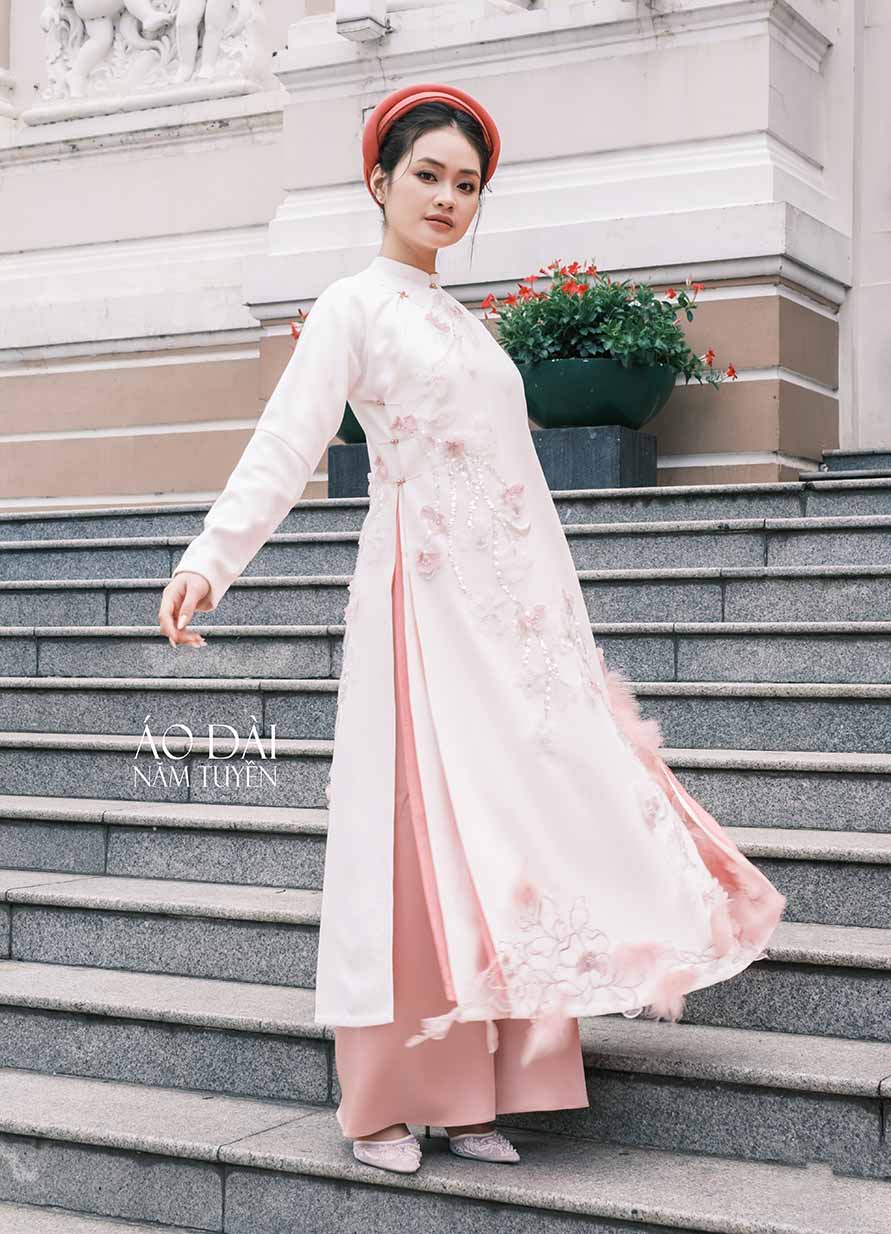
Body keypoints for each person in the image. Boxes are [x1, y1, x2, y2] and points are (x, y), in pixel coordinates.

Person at [158, 82, 787, 1176]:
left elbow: (522, 490)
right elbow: (287, 441)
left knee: (511, 831)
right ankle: (388, 1102)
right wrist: (211, 558)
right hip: (419, 602)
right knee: (414, 837)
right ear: (379, 182)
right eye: (427, 176)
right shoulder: (353, 306)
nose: (447, 198)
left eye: (466, 184)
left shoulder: (470, 326)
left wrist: (561, 630)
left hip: (510, 621)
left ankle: (479, 1093)